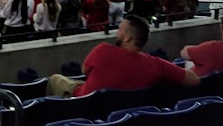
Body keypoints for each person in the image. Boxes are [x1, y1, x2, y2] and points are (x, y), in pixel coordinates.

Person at [48, 15, 200, 97]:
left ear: (128, 38)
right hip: (125, 117)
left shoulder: (103, 50)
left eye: (120, 30)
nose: (117, 32)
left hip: (84, 104)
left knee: (54, 79)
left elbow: (84, 71)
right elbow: (194, 80)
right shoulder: (156, 65)